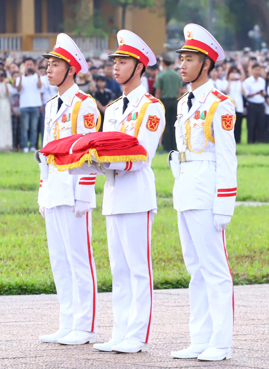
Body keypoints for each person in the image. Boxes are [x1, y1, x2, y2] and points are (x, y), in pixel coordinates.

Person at [168, 24, 237, 362]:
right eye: (181, 58)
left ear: (207, 64)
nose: (182, 64)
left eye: (190, 58)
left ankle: (221, 341)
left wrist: (225, 201)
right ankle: (200, 337)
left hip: (208, 187)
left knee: (214, 269)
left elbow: (227, 157)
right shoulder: (185, 103)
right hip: (186, 186)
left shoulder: (220, 104)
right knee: (195, 268)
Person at [94, 30, 165, 354]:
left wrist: (108, 163)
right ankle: (120, 330)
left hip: (135, 192)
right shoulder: (111, 109)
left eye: (123, 62)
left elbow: (142, 155)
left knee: (138, 268)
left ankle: (137, 334)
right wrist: (92, 163)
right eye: (115, 62)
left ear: (139, 67)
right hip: (113, 193)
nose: (116, 68)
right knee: (118, 270)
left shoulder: (151, 107)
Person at [35, 34, 101, 346]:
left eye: (55, 65)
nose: (48, 69)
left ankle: (85, 325)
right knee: (59, 258)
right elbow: (46, 151)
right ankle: (67, 320)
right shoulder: (51, 106)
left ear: (71, 70)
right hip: (54, 186)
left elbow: (90, 154)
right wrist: (42, 188)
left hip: (75, 187)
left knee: (79, 258)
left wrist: (85, 191)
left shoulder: (84, 105)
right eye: (47, 64)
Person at [154, 54, 182, 152]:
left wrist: (157, 105)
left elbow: (158, 92)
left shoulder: (161, 75)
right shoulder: (176, 75)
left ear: (163, 63)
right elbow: (179, 90)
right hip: (175, 101)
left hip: (164, 101)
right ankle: (174, 146)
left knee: (165, 125)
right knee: (174, 124)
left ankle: (166, 147)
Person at [16, 58, 44, 153]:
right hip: (24, 106)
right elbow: (19, 90)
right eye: (27, 64)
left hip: (35, 105)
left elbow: (40, 87)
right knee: (25, 128)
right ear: (24, 66)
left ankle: (32, 145)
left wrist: (39, 75)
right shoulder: (21, 77)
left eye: (31, 64)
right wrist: (20, 78)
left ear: (34, 66)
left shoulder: (37, 76)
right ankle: (25, 146)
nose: (29, 66)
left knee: (34, 128)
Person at [243, 63, 266, 144]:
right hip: (252, 104)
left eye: (259, 70)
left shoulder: (262, 81)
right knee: (251, 124)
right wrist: (256, 93)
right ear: (252, 70)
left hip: (260, 104)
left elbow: (264, 93)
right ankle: (250, 141)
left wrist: (262, 93)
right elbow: (246, 95)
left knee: (260, 124)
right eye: (256, 70)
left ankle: (259, 141)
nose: (257, 72)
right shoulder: (247, 81)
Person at [0, 70, 13, 152]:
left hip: (6, 104)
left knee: (6, 123)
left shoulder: (8, 84)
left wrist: (5, 83)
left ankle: (6, 144)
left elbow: (8, 94)